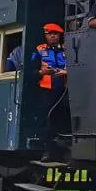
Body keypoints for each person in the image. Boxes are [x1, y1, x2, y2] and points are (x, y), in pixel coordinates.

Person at [29, 23, 69, 155]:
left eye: (55, 34)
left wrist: (65, 72)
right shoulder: (39, 50)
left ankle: (63, 147)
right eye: (50, 33)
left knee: (63, 118)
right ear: (45, 35)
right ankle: (46, 150)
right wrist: (42, 72)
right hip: (46, 90)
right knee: (46, 119)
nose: (53, 36)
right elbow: (31, 71)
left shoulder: (66, 49)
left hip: (64, 89)